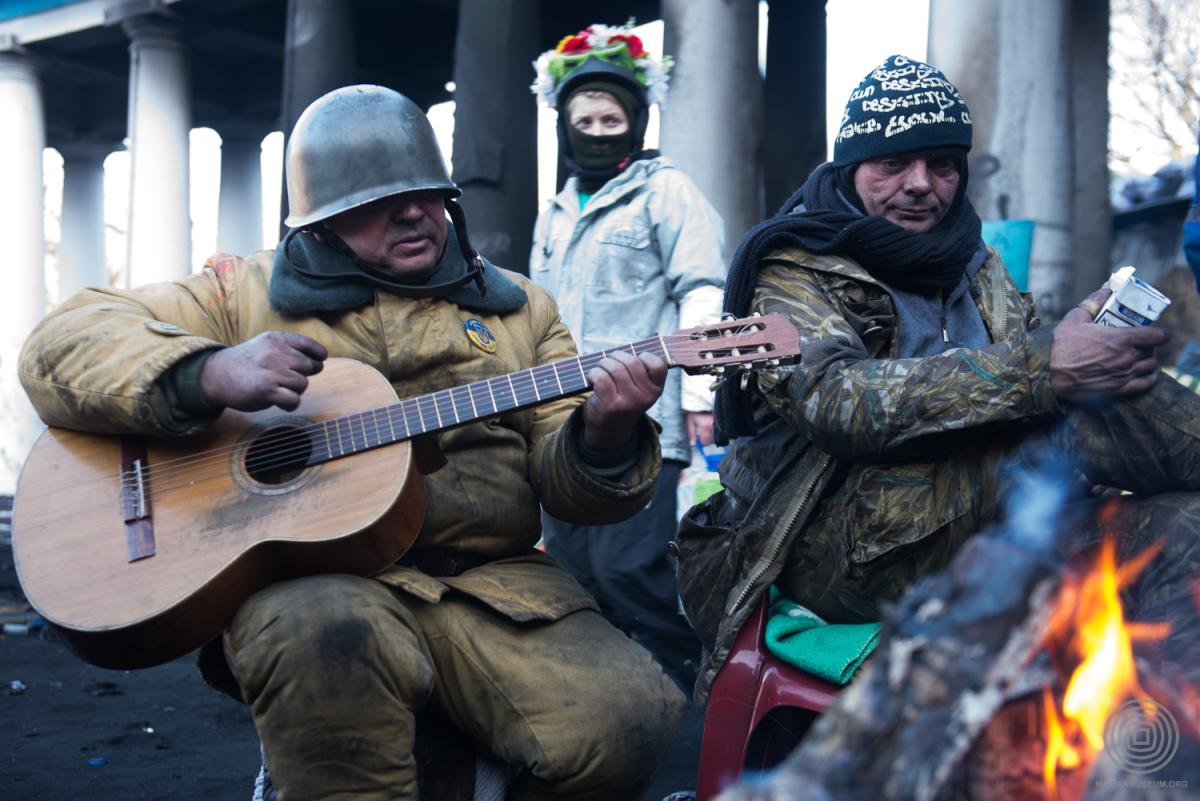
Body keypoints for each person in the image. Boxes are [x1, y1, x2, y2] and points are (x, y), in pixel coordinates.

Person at [19, 85, 685, 800]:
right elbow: (61, 343)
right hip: (318, 587)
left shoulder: (524, 310)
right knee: (323, 636)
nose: (411, 212)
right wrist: (208, 371)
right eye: (375, 202)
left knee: (631, 723)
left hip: (495, 589)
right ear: (324, 222)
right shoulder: (238, 294)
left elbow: (571, 485)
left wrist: (605, 432)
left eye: (427, 194)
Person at [675, 54, 1200, 707]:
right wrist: (1048, 364)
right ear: (851, 169)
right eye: (892, 164)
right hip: (845, 544)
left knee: (1186, 528)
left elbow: (1023, 363)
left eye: (942, 164)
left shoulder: (974, 259)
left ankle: (1148, 759)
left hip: (989, 509)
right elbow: (837, 401)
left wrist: (1074, 339)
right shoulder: (794, 266)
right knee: (1105, 403)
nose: (921, 184)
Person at [528, 22, 725, 693]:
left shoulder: (666, 190)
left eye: (612, 117)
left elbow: (701, 289)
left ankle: (684, 679)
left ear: (636, 120)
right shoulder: (553, 210)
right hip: (563, 423)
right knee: (576, 571)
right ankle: (611, 698)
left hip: (643, 422)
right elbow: (537, 315)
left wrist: (700, 399)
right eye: (583, 118)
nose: (598, 129)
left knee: (627, 568)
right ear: (563, 124)